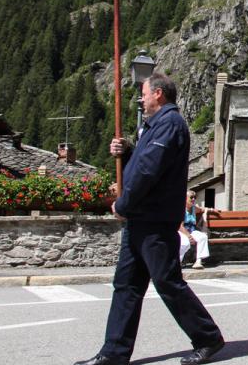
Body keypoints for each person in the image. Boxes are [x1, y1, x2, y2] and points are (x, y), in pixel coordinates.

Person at [73, 73, 224, 365]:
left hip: (153, 219)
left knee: (167, 282)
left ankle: (208, 338)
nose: (140, 99)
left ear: (158, 94)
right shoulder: (153, 126)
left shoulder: (169, 124)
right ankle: (114, 352)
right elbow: (142, 162)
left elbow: (148, 172)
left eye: (144, 94)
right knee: (126, 285)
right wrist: (127, 150)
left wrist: (123, 204)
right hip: (142, 219)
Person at [178, 190, 219, 269]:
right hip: (182, 232)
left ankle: (198, 261)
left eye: (195, 197)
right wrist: (189, 236)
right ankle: (178, 262)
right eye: (191, 197)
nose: (193, 199)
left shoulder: (193, 208)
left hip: (192, 231)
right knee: (185, 243)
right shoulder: (181, 209)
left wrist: (212, 210)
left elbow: (202, 209)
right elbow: (180, 226)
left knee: (203, 237)